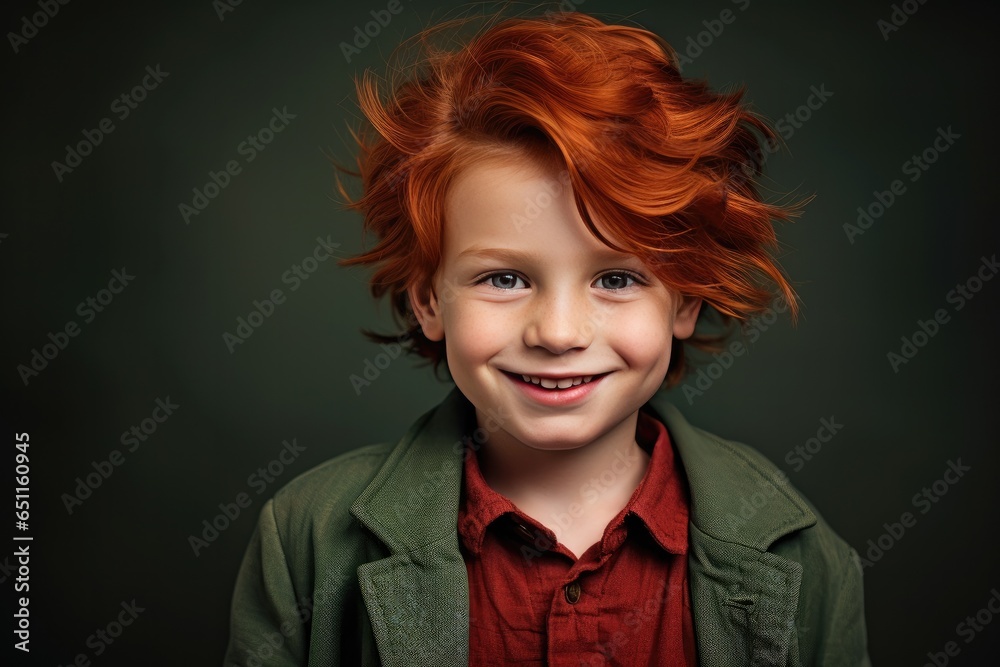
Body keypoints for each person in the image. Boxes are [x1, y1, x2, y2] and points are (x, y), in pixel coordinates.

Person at [224, 8, 870, 666]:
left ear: (686, 298)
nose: (559, 333)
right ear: (428, 300)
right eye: (504, 278)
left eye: (616, 278)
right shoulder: (309, 535)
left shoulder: (801, 552)